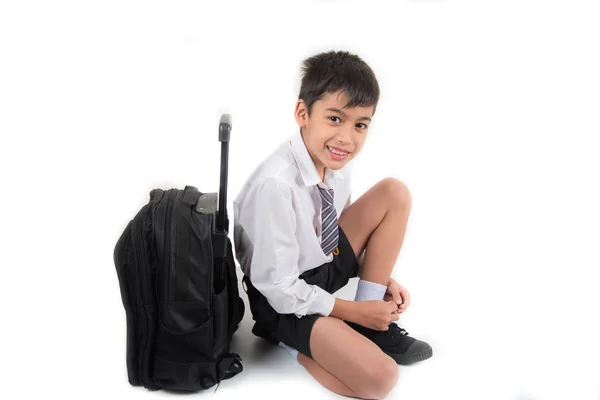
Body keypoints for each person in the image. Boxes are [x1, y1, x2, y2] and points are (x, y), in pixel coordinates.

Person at [233, 50, 432, 399]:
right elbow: (280, 288)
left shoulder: (334, 161)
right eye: (335, 119)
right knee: (379, 379)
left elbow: (333, 231)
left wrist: (380, 280)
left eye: (360, 125)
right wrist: (352, 310)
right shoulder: (275, 185)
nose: (347, 139)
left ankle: (368, 327)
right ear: (303, 113)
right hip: (281, 300)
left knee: (394, 193)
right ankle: (289, 343)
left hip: (320, 266)